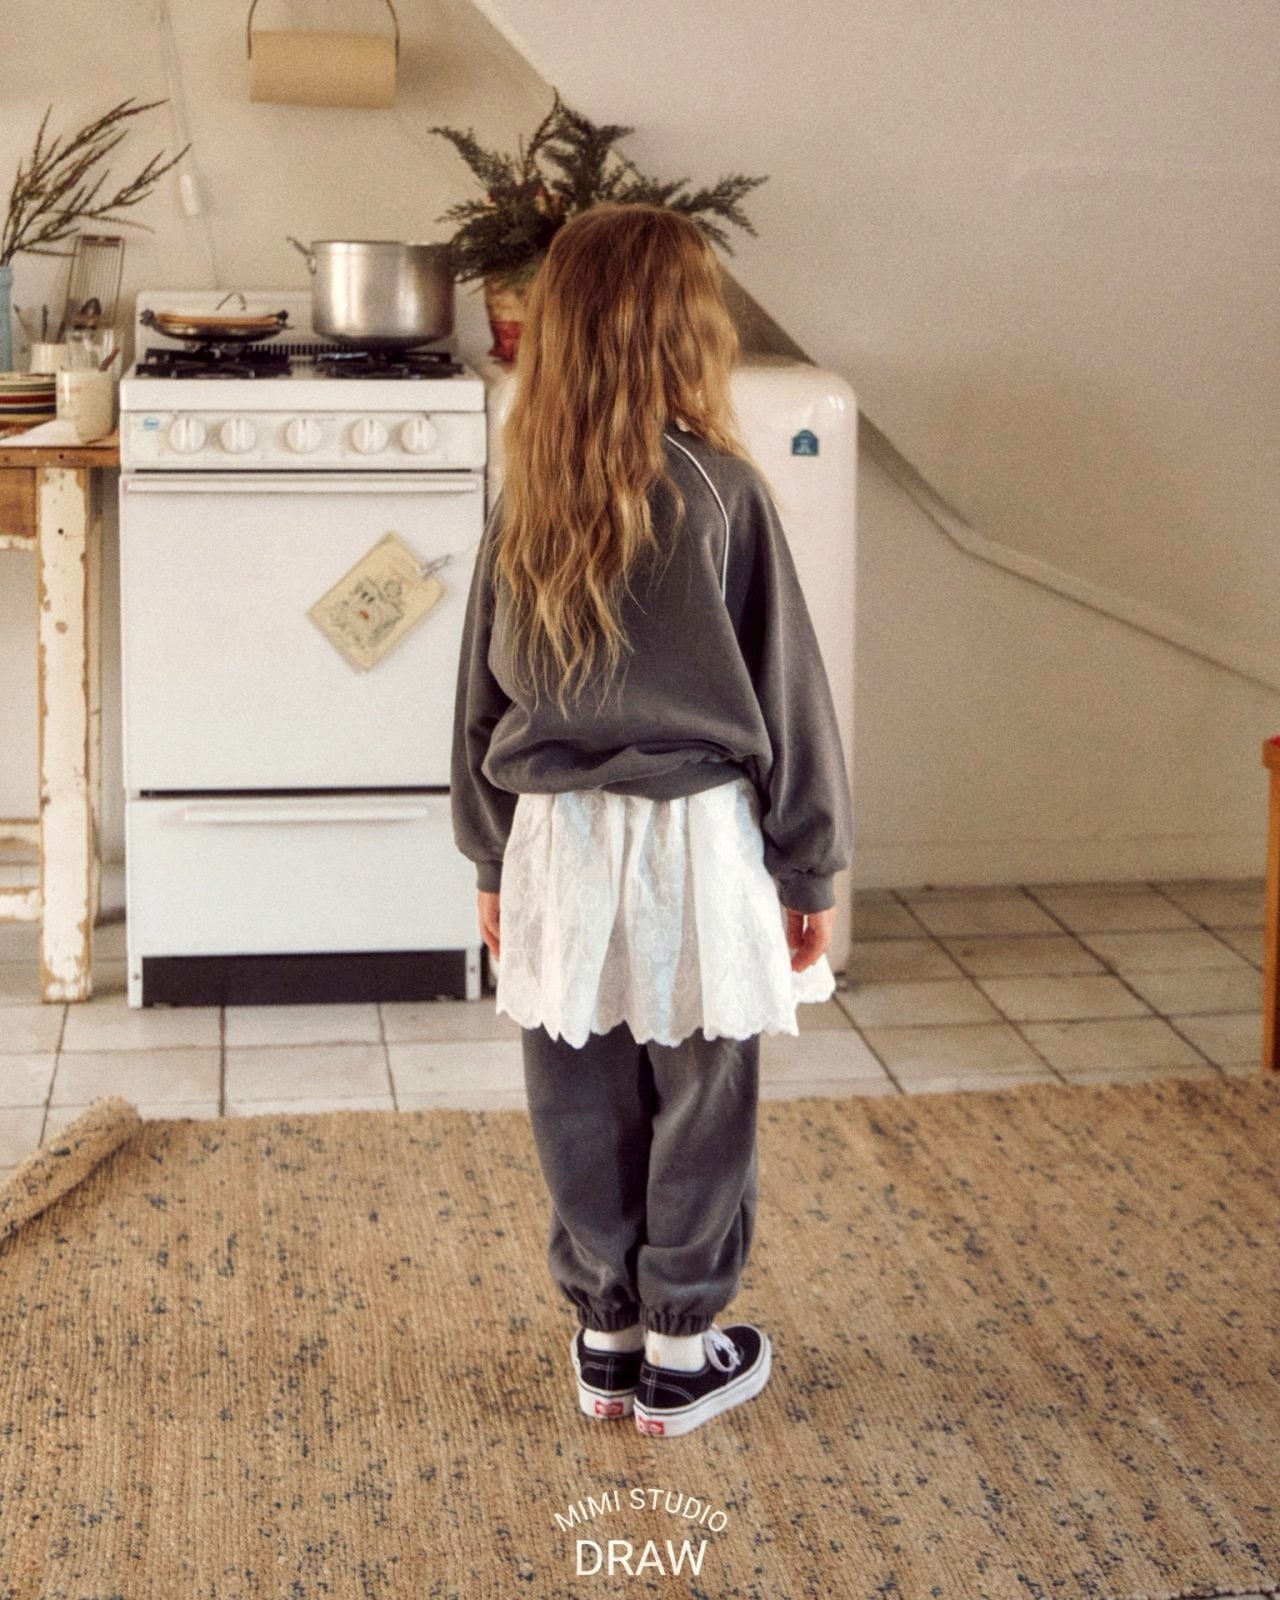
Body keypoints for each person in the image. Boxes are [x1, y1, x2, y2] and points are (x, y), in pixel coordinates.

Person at [451, 201, 852, 1438]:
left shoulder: (522, 500)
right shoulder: (725, 495)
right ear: (688, 333)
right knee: (702, 1085)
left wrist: (487, 856)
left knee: (574, 1083)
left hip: (553, 838)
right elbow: (788, 697)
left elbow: (478, 703)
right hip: (696, 838)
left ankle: (605, 1335)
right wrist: (809, 866)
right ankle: (683, 1347)